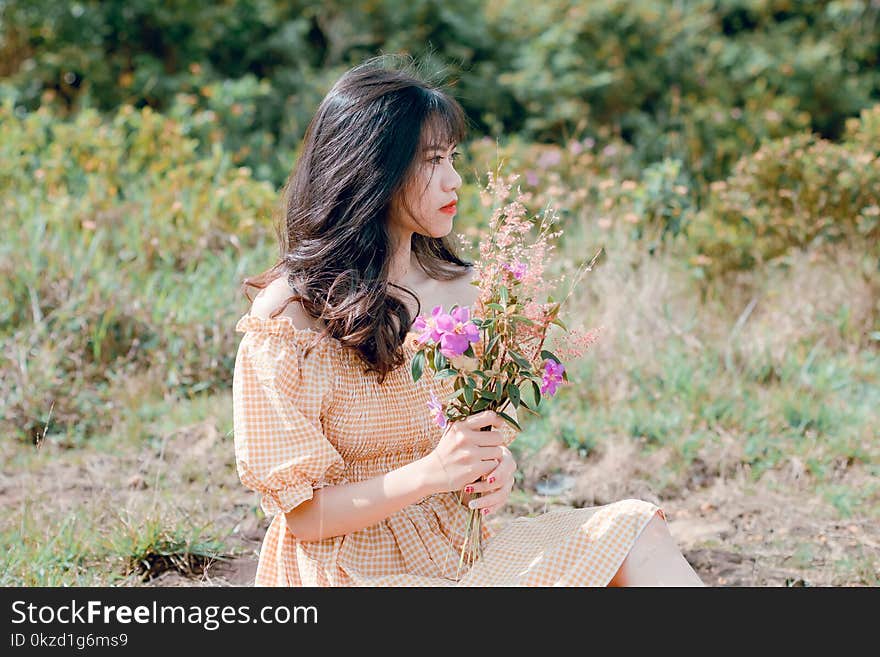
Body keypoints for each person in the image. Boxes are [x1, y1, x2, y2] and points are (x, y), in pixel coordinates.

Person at [232, 55, 705, 587]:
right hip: (346, 571)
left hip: (461, 557)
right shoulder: (290, 314)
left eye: (453, 156)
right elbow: (301, 517)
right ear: (372, 166)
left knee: (636, 529)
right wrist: (431, 474)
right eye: (433, 160)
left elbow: (475, 441)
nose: (455, 179)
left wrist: (495, 469)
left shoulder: (467, 292)